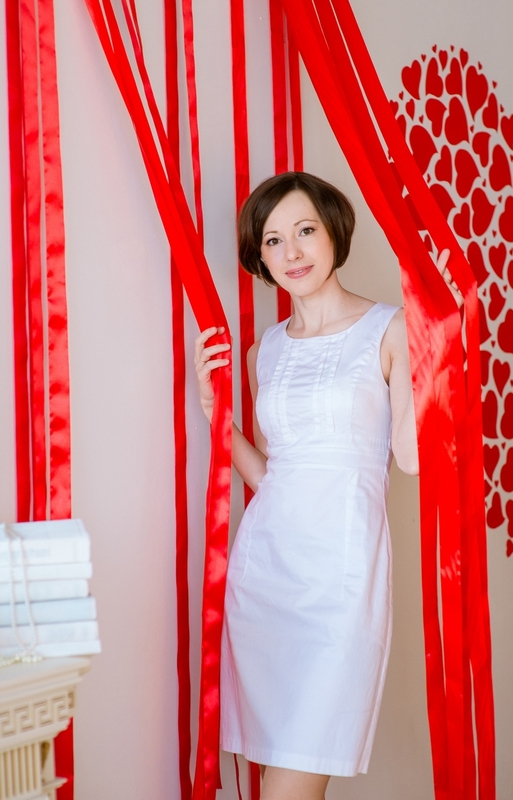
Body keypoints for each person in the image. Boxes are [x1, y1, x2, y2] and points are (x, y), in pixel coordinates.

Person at [194, 172, 456, 800]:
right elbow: (271, 477)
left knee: (295, 780)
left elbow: (410, 457)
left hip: (339, 580)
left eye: (305, 230)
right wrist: (215, 415)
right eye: (273, 240)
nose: (292, 252)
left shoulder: (391, 327)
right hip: (265, 577)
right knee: (275, 779)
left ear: (334, 231)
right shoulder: (264, 352)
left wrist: (438, 352)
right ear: (259, 257)